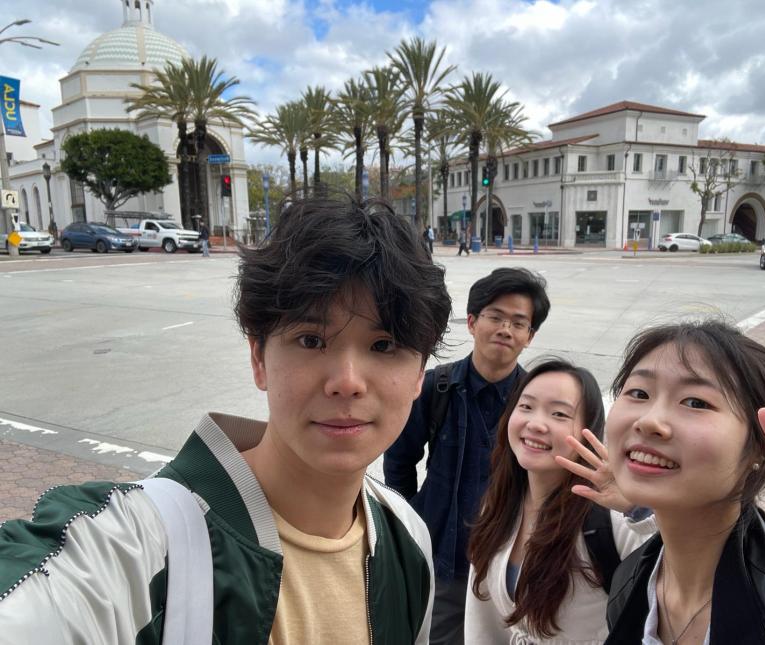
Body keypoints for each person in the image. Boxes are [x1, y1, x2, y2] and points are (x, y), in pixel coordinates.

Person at [0, 196, 452, 644]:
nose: (347, 382)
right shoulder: (146, 546)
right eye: (312, 340)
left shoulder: (406, 541)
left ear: (419, 374)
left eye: (384, 346)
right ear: (258, 357)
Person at [559, 320, 765, 644]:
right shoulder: (629, 581)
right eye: (639, 393)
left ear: (759, 446)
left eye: (695, 402)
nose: (649, 421)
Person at [384, 267, 551, 645]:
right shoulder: (435, 387)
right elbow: (399, 462)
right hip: (444, 557)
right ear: (473, 322)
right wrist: (415, 519)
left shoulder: (535, 402)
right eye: (495, 316)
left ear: (529, 336)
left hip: (510, 560)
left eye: (518, 322)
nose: (505, 329)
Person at [466, 359, 656, 643]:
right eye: (526, 406)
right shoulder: (499, 506)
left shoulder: (612, 518)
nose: (536, 424)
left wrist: (638, 508)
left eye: (558, 414)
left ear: (588, 430)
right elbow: (482, 622)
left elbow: (678, 583)